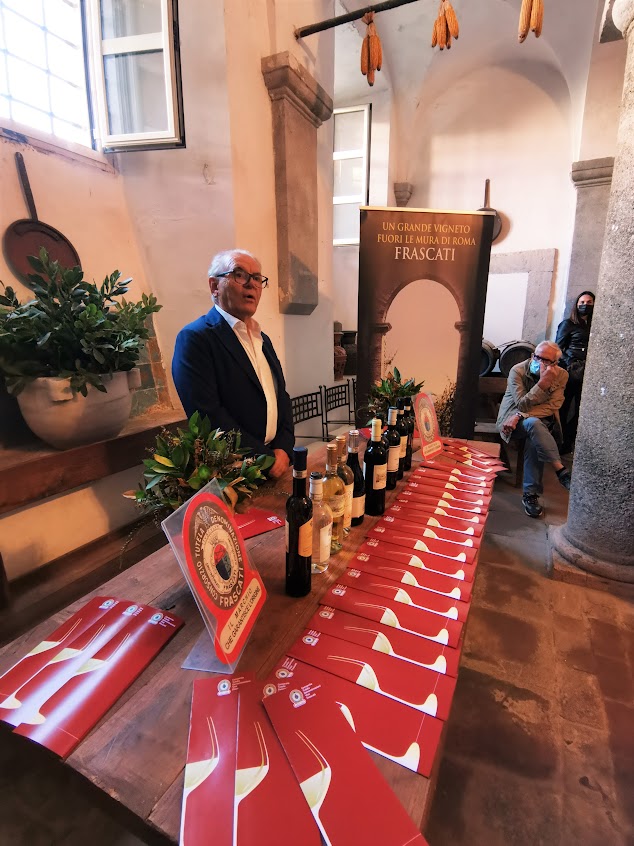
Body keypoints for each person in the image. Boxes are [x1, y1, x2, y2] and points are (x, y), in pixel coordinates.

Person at [172, 249, 294, 479]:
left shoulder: (262, 339)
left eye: (256, 278)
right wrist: (265, 459)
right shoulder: (196, 339)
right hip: (233, 472)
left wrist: (284, 449)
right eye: (239, 275)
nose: (251, 284)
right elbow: (207, 415)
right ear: (214, 286)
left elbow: (281, 397)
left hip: (275, 463)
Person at [496, 341, 571, 518]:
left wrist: (521, 415)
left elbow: (553, 405)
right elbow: (521, 403)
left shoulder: (562, 375)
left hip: (536, 423)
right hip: (509, 422)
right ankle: (559, 470)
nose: (539, 362)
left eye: (545, 360)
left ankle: (530, 496)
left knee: (534, 431)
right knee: (534, 425)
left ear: (555, 363)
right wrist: (543, 383)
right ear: (532, 356)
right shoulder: (518, 371)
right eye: (537, 357)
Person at [555, 290, 595, 455]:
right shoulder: (568, 324)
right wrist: (570, 363)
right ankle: (560, 442)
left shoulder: (595, 325)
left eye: (589, 303)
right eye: (582, 302)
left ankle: (569, 440)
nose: (585, 305)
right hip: (571, 372)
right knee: (564, 408)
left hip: (589, 373)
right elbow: (558, 348)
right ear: (577, 304)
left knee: (581, 410)